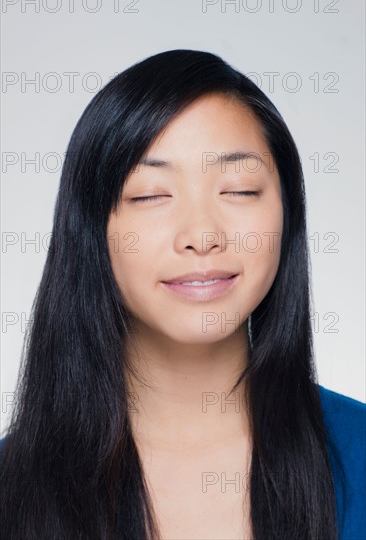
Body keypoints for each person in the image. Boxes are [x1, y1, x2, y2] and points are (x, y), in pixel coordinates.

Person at [0, 49, 365, 540]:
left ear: (287, 214)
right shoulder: (12, 486)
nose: (201, 234)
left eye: (238, 190)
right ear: (89, 231)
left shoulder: (356, 452)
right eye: (150, 195)